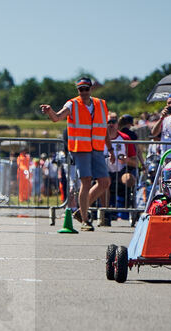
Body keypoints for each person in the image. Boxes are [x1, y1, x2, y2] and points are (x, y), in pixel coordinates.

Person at [40, 77, 115, 231]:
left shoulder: (101, 104)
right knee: (86, 181)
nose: (83, 92)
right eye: (80, 89)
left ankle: (81, 212)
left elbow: (104, 129)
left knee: (105, 182)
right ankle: (85, 221)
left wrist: (111, 149)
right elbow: (57, 118)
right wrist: (49, 112)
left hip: (97, 148)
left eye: (86, 88)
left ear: (91, 89)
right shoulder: (72, 104)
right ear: (77, 90)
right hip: (80, 149)